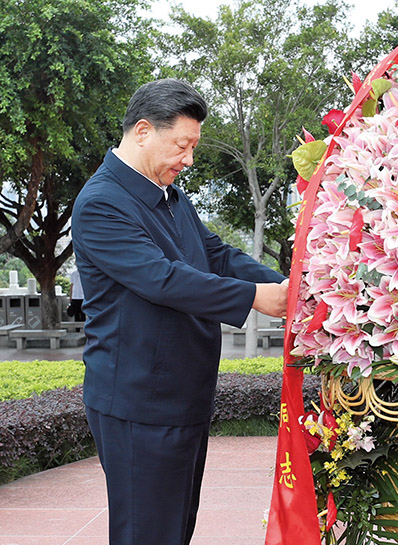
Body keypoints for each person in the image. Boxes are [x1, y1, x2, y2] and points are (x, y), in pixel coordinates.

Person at [72, 78, 288, 545]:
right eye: (183, 145)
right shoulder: (101, 203)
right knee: (145, 534)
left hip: (181, 393)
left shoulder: (167, 193)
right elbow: (161, 278)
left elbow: (213, 252)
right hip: (139, 402)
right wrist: (254, 298)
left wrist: (285, 285)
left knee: (173, 530)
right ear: (144, 131)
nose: (188, 159)